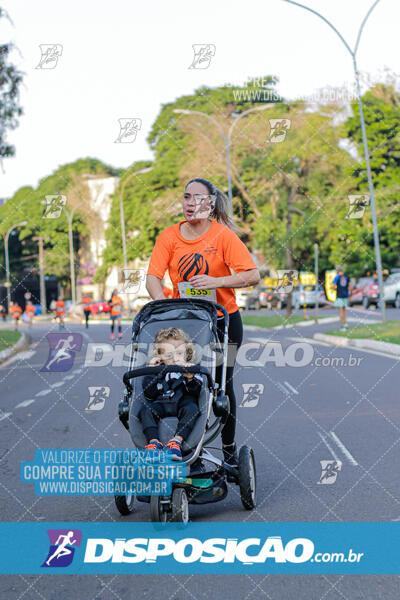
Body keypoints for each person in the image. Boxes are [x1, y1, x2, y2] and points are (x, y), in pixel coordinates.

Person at [146, 177, 260, 471]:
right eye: (186, 197)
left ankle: (229, 449)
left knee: (222, 385)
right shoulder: (169, 237)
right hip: (185, 322)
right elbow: (153, 277)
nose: (191, 203)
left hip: (225, 321)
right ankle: (183, 444)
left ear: (210, 204)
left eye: (198, 198)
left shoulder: (223, 237)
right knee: (184, 379)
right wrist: (163, 306)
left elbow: (251, 275)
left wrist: (217, 281)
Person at [140, 327, 202, 461]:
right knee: (145, 411)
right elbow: (149, 395)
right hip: (162, 402)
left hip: (184, 403)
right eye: (169, 356)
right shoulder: (159, 372)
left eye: (179, 353)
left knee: (192, 409)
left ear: (187, 353)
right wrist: (152, 371)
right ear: (160, 357)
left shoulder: (192, 369)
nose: (174, 359)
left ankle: (176, 442)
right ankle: (154, 442)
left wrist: (190, 378)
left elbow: (198, 391)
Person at [332, 266, 351, 331]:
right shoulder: (347, 276)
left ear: (337, 271)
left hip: (339, 296)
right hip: (345, 295)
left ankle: (342, 326)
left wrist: (336, 289)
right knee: (344, 310)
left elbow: (333, 286)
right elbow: (350, 286)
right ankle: (345, 323)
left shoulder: (337, 277)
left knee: (340, 311)